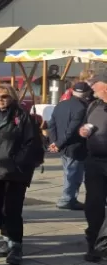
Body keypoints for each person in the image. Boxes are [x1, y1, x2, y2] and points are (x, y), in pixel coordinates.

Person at [0, 84, 43, 265]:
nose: (1, 99)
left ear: (12, 98)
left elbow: (31, 144)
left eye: (5, 96)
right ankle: (6, 239)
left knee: (12, 210)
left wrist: (16, 162)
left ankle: (16, 246)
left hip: (15, 172)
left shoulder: (22, 117)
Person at [48, 80, 91, 211]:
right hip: (75, 146)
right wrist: (59, 143)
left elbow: (51, 125)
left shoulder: (61, 105)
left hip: (64, 145)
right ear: (87, 93)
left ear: (73, 91)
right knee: (73, 174)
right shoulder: (83, 108)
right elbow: (72, 130)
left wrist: (54, 142)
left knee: (69, 172)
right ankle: (67, 199)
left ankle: (69, 198)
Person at [79, 73, 107, 262]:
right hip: (94, 162)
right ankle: (94, 244)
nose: (92, 88)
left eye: (95, 84)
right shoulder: (94, 104)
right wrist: (84, 129)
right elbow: (88, 122)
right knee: (93, 204)